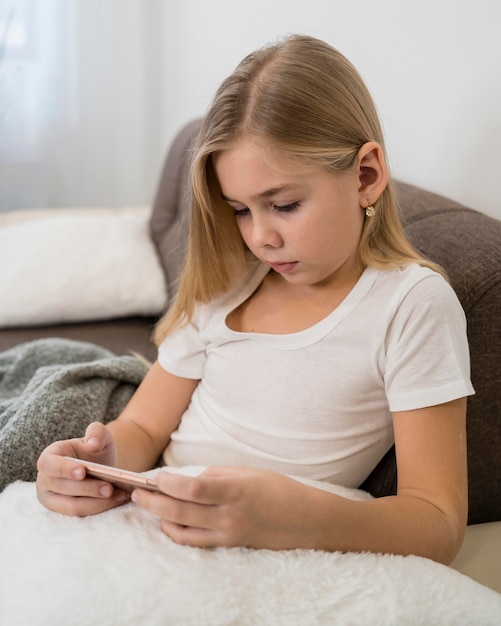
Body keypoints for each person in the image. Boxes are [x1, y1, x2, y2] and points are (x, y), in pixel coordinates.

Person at [36, 34, 474, 564]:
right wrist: (101, 461)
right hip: (154, 525)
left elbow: (438, 521)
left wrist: (291, 517)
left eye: (283, 204)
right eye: (241, 210)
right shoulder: (228, 283)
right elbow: (147, 426)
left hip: (257, 556)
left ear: (366, 176)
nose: (259, 237)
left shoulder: (411, 305)